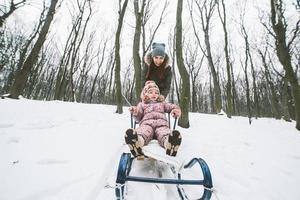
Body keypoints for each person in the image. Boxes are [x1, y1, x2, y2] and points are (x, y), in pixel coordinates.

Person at [125, 81, 182, 157]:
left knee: (164, 133)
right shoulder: (142, 104)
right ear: (145, 94)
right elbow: (138, 117)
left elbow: (172, 106)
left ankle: (169, 143)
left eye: (156, 92)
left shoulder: (162, 103)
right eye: (151, 92)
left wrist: (175, 110)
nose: (154, 94)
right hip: (147, 124)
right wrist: (135, 111)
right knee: (143, 131)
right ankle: (137, 141)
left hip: (161, 125)